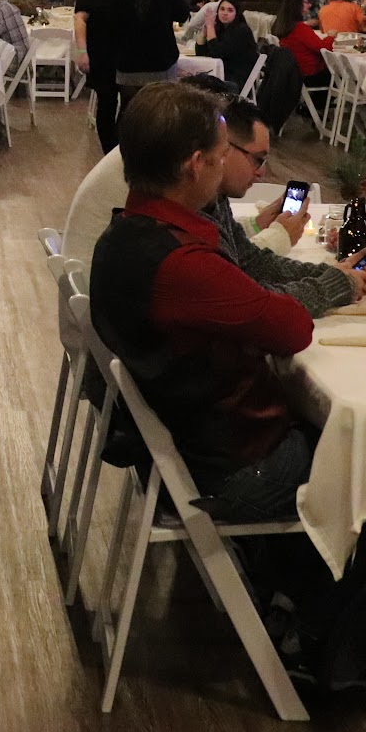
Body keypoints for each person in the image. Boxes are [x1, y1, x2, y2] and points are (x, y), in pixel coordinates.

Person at [90, 81, 315, 524]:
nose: (223, 166)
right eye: (220, 157)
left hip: (177, 452)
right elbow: (294, 327)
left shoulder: (120, 234)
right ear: (195, 166)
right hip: (229, 471)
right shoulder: (182, 263)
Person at [214, 98, 366, 316]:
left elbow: (253, 261)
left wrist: (331, 273)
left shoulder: (215, 201)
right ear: (223, 149)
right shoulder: (194, 214)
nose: (261, 172)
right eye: (257, 159)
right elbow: (255, 303)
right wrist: (338, 284)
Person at [111, 0, 190, 103]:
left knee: (128, 109)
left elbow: (113, 22)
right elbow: (182, 15)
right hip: (161, 59)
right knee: (160, 112)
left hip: (128, 60)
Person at [74, 0, 129, 152]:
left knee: (129, 104)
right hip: (102, 54)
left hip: (127, 55)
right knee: (106, 104)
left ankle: (122, 148)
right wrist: (82, 51)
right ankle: (109, 150)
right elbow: (80, 19)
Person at [197, 0, 260, 94]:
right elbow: (200, 54)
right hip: (222, 76)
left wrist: (210, 27)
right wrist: (203, 33)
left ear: (236, 13)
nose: (225, 13)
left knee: (197, 84)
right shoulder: (220, 29)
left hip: (236, 81)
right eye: (222, 9)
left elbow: (216, 53)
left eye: (230, 10)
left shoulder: (241, 30)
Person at [275, 0, 333, 94]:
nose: (309, 5)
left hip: (295, 73)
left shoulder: (285, 25)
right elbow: (322, 48)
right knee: (341, 74)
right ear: (297, 6)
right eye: (306, 2)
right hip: (308, 75)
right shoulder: (300, 28)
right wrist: (331, 37)